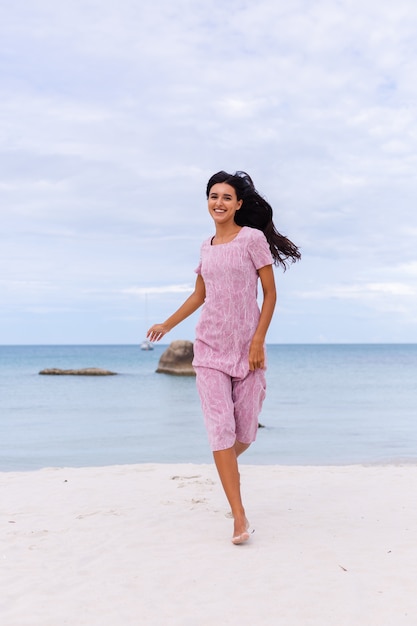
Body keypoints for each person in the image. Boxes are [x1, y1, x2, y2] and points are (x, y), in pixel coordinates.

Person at [147, 171, 300, 545]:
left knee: (244, 433)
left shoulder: (252, 240)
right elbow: (199, 295)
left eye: (226, 197)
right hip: (209, 350)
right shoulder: (207, 246)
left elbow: (270, 294)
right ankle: (239, 517)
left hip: (248, 352)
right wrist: (167, 323)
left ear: (239, 204)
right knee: (220, 432)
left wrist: (258, 340)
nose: (219, 202)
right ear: (208, 201)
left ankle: (227, 469)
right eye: (213, 196)